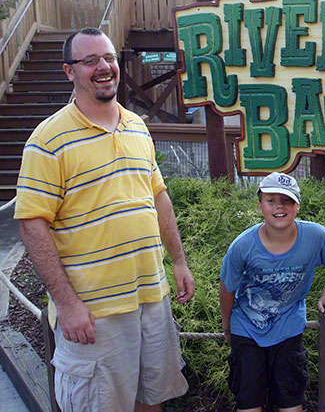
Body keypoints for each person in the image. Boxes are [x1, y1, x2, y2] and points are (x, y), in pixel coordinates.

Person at [14, 27, 195, 412]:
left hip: (151, 296)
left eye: (109, 57)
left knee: (153, 399)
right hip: (95, 312)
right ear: (70, 71)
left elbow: (158, 197)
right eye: (90, 60)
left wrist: (177, 261)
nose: (103, 67)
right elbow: (31, 223)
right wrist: (67, 304)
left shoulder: (137, 127)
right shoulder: (47, 140)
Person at [220, 172, 325, 412]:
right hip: (246, 329)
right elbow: (227, 288)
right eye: (271, 200)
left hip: (288, 328)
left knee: (291, 400)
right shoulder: (242, 246)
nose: (280, 206)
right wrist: (227, 327)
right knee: (248, 402)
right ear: (260, 207)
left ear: (297, 206)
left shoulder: (316, 236)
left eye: (287, 200)